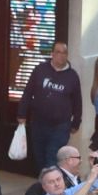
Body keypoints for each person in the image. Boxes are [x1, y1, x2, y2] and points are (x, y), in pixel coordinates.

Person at [18, 42, 82, 172]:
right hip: (39, 122)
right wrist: (22, 113)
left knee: (52, 156)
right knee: (39, 156)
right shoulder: (40, 70)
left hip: (61, 125)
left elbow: (77, 101)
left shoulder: (72, 76)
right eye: (57, 52)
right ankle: (45, 184)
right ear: (52, 54)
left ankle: (51, 185)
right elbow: (28, 92)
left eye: (64, 53)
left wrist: (76, 122)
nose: (61, 56)